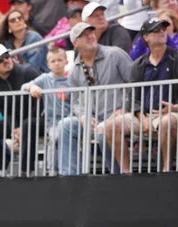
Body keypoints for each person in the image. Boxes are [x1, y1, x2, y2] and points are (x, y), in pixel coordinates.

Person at [102, 17, 178, 173]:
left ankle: (166, 169)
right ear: (146, 37)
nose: (161, 32)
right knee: (111, 125)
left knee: (167, 122)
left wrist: (177, 106)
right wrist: (141, 116)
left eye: (163, 29)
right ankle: (125, 173)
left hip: (172, 113)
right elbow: (132, 96)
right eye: (156, 30)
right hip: (142, 115)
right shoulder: (138, 64)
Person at [56, 22, 132, 176]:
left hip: (121, 115)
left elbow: (135, 84)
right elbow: (76, 101)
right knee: (65, 125)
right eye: (83, 35)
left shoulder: (115, 54)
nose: (89, 36)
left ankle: (117, 177)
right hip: (93, 119)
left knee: (103, 130)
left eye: (91, 32)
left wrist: (125, 108)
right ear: (75, 43)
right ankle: (69, 177)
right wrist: (83, 116)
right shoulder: (74, 70)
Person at [0, 43, 41, 175]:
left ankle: (26, 171)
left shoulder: (28, 72)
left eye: (7, 56)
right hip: (16, 123)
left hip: (39, 118)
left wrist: (20, 128)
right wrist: (15, 128)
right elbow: (6, 113)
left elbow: (40, 103)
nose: (6, 60)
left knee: (28, 125)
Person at [21, 47, 71, 174]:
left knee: (61, 135)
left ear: (66, 61)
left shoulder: (72, 79)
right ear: (48, 64)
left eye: (60, 60)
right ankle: (51, 170)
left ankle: (65, 170)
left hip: (69, 120)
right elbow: (24, 87)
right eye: (53, 61)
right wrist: (32, 87)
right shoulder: (44, 78)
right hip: (51, 121)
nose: (57, 63)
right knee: (54, 137)